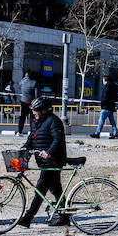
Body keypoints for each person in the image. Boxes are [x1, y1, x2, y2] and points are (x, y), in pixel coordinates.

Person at [18, 97, 71, 227]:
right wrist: (25, 147)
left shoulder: (54, 121)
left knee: (40, 189)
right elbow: (32, 137)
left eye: (35, 110)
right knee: (56, 189)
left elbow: (57, 140)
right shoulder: (36, 121)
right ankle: (64, 217)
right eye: (33, 110)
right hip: (43, 161)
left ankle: (27, 218)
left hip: (53, 160)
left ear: (44, 110)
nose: (33, 112)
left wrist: (49, 152)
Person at [16, 70, 36, 135]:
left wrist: (24, 78)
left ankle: (20, 131)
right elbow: (37, 94)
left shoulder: (22, 81)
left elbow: (19, 86)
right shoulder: (34, 82)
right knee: (32, 118)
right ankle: (32, 131)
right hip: (31, 102)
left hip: (23, 101)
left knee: (22, 117)